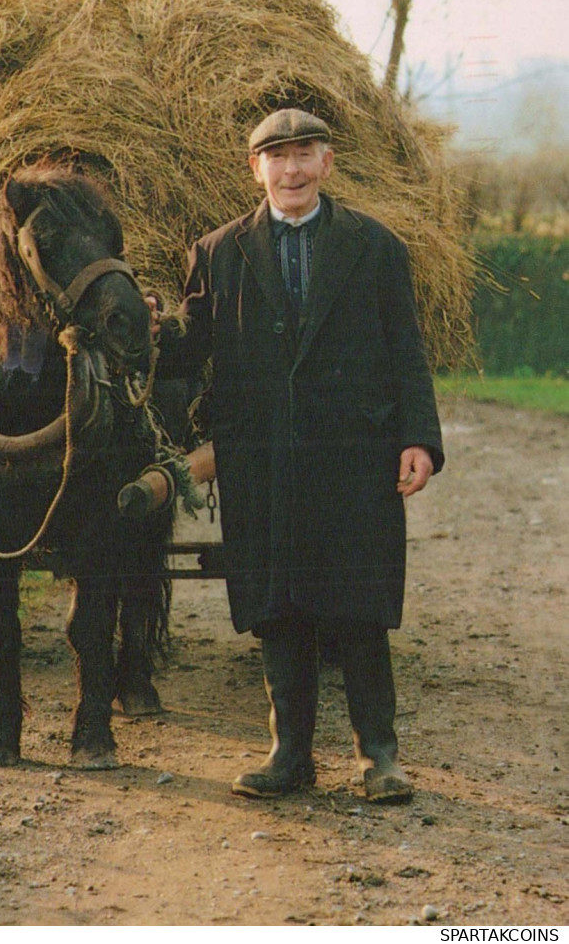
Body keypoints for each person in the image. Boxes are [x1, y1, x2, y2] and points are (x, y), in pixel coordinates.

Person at [155, 108, 444, 803]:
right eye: (275, 155)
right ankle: (289, 755)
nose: (289, 168)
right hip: (262, 459)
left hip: (354, 457)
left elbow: (406, 352)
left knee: (358, 605)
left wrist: (418, 439)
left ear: (327, 162)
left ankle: (379, 756)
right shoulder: (218, 252)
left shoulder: (375, 248)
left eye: (302, 153)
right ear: (253, 167)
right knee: (276, 604)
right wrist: (135, 330)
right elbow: (187, 350)